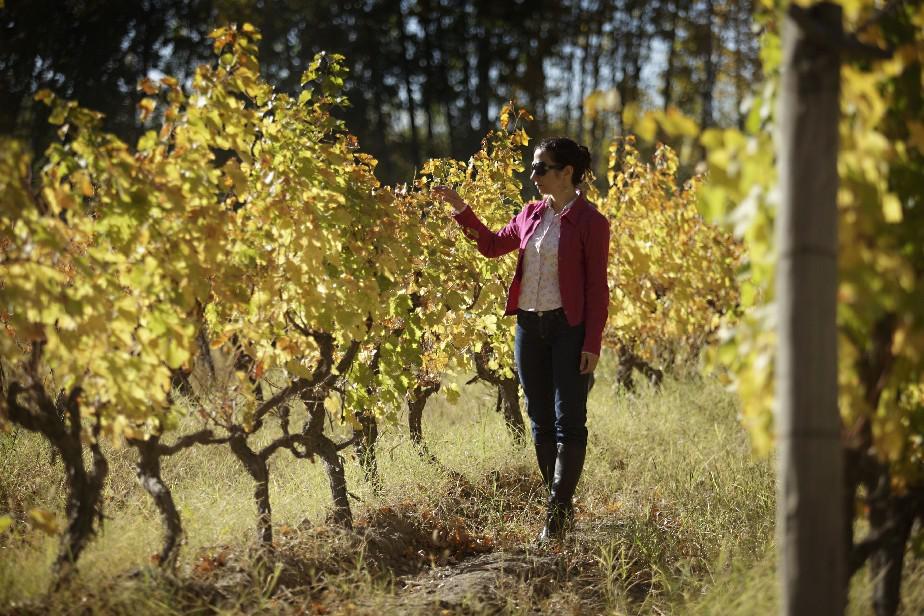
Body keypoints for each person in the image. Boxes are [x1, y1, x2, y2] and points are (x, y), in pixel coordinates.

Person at [433, 137, 610, 540]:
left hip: (569, 329)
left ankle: (556, 518)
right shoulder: (530, 214)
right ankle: (558, 509)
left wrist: (592, 342)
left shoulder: (591, 222)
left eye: (541, 167)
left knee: (570, 422)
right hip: (529, 328)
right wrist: (461, 210)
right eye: (533, 167)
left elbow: (598, 289)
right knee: (540, 419)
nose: (533, 175)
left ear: (566, 173)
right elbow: (493, 246)